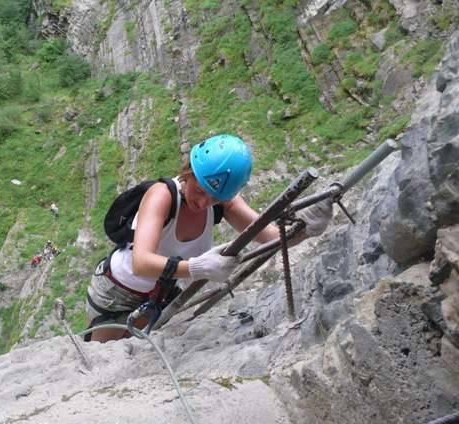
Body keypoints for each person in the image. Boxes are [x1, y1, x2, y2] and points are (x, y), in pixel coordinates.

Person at [86, 134, 334, 343]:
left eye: (215, 197)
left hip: (159, 295)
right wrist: (197, 268)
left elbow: (269, 237)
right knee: (100, 357)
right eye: (200, 190)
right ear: (188, 172)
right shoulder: (162, 195)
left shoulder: (223, 203)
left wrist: (305, 228)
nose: (203, 202)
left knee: (135, 353)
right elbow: (141, 263)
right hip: (115, 294)